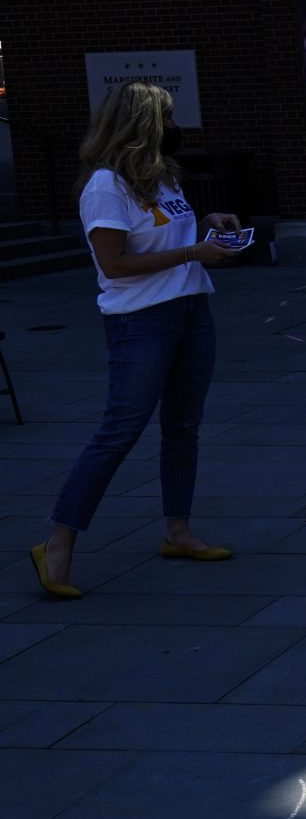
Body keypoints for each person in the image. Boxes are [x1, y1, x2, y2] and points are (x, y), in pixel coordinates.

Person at [29, 83, 239, 599]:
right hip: (140, 322)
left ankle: (178, 531)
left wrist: (208, 228)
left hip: (191, 311)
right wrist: (193, 254)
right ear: (143, 124)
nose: (174, 126)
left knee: (183, 427)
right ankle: (57, 542)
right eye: (166, 117)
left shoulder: (161, 175)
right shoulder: (106, 185)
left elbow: (166, 234)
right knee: (119, 431)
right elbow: (114, 264)